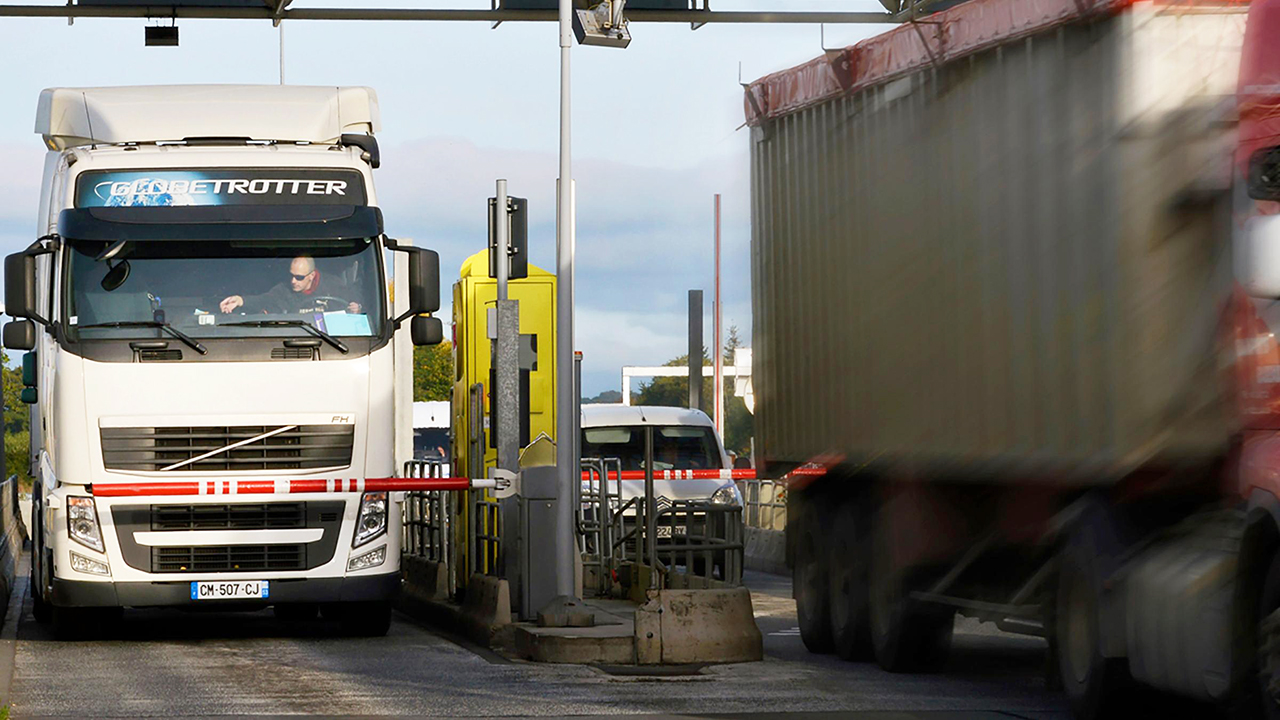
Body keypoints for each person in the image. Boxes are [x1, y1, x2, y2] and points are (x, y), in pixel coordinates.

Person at [219, 255, 361, 315]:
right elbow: (265, 299)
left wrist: (356, 308)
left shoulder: (334, 285)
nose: (293, 281)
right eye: (291, 275)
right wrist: (240, 300)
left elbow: (354, 303)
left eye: (299, 277)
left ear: (311, 276)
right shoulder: (284, 288)